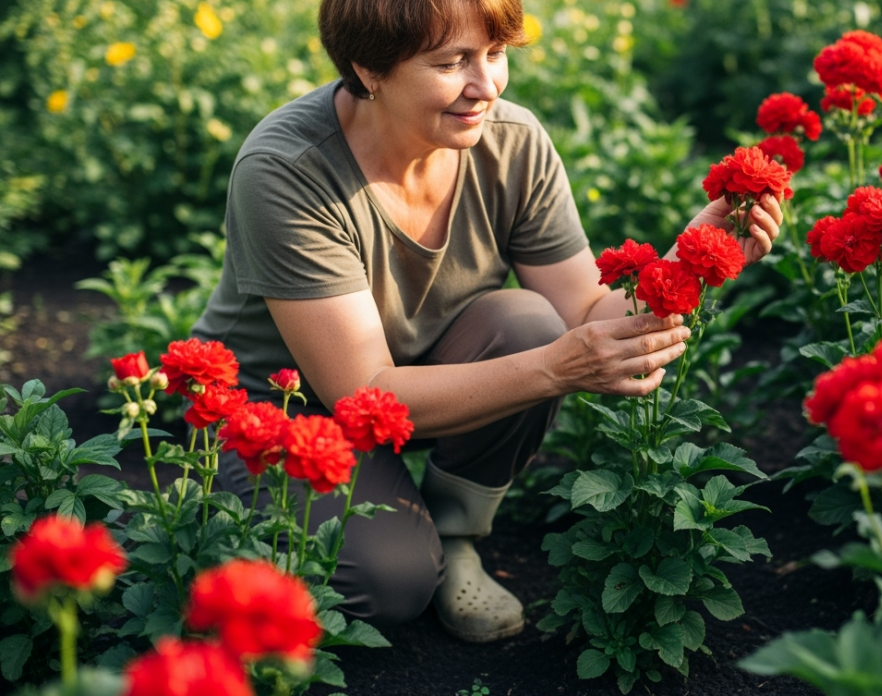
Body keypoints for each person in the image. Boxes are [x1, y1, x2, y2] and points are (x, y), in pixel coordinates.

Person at [194, 0, 783, 642]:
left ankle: (454, 536)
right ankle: (228, 519)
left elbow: (585, 310)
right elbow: (361, 392)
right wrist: (558, 368)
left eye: (495, 54)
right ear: (369, 69)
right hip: (283, 405)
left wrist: (696, 255)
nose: (487, 87)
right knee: (387, 584)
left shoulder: (512, 141)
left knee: (529, 322)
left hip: (421, 374)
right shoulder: (289, 170)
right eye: (453, 63)